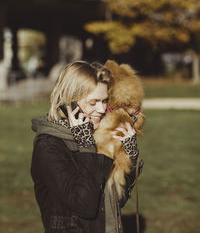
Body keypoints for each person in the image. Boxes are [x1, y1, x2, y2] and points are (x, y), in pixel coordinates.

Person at [31, 61, 143, 233]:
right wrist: (86, 145)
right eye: (93, 103)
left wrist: (129, 157)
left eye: (105, 101)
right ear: (70, 101)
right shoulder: (49, 145)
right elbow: (86, 206)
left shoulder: (93, 136)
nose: (102, 109)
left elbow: (114, 203)